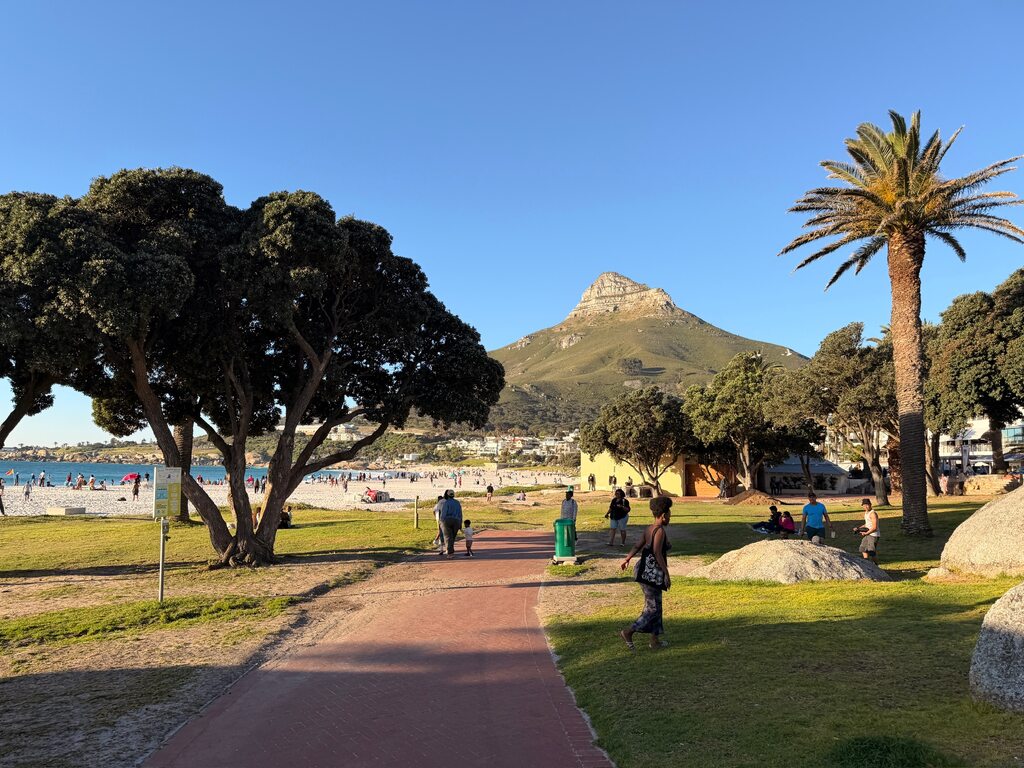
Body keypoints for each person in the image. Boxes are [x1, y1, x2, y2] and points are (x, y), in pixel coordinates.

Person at [619, 496, 673, 651]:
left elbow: (637, 545)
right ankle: (628, 632)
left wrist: (627, 559)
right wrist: (666, 574)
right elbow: (657, 553)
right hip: (651, 572)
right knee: (653, 608)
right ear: (663, 516)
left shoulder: (649, 529)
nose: (670, 517)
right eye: (669, 514)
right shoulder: (660, 531)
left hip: (644, 569)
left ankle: (654, 640)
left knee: (657, 605)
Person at [854, 498, 880, 563]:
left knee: (871, 552)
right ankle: (867, 563)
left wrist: (866, 533)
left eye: (867, 505)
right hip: (868, 534)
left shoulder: (873, 514)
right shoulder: (866, 513)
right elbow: (867, 524)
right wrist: (858, 528)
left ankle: (876, 566)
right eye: (864, 505)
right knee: (863, 549)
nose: (865, 506)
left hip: (873, 535)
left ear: (870, 505)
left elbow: (874, 527)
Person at [439, 490, 463, 559]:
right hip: (456, 521)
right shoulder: (457, 502)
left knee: (447, 537)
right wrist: (460, 523)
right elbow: (460, 514)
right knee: (452, 537)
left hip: (447, 520)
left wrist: (441, 522)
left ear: (447, 495)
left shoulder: (446, 503)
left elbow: (443, 513)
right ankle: (451, 551)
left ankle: (450, 553)